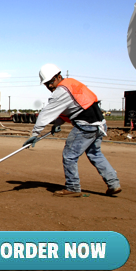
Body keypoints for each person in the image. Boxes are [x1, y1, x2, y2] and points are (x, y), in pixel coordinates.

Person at [24, 64, 121, 197]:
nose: (50, 86)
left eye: (51, 82)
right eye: (47, 84)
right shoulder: (72, 84)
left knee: (69, 155)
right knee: (95, 154)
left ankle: (73, 187)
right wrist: (58, 123)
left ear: (59, 77)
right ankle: (114, 184)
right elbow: (74, 107)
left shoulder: (61, 91)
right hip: (99, 125)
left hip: (86, 126)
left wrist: (35, 134)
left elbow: (46, 113)